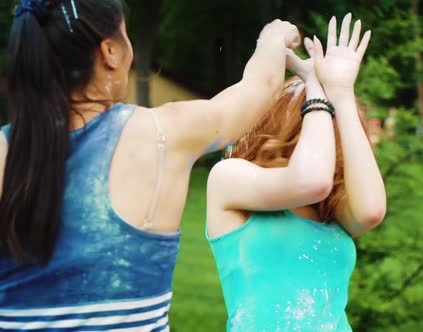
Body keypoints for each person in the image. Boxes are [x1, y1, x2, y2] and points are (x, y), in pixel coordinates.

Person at [0, 0, 299, 330]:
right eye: (126, 36)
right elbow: (259, 90)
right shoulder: (160, 135)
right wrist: (272, 39)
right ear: (110, 51)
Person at [206, 14, 386, 331]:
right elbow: (309, 181)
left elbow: (371, 211)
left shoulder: (330, 205)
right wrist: (315, 87)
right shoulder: (229, 179)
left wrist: (342, 94)